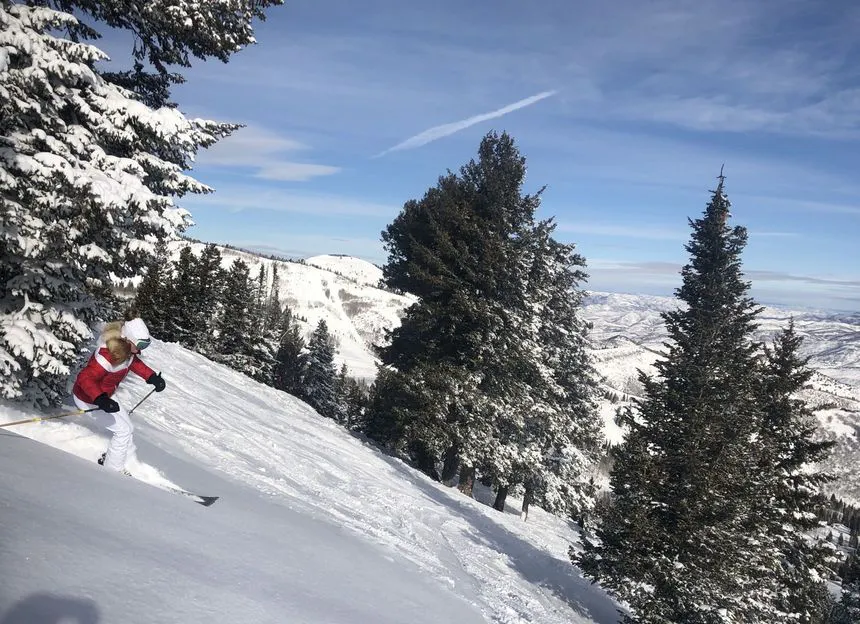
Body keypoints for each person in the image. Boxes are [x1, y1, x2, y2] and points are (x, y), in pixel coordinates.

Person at [72, 317, 166, 473]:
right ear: (128, 340)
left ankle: (113, 458)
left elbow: (134, 364)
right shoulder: (107, 355)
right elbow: (85, 378)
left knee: (128, 427)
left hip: (105, 395)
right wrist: (100, 399)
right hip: (89, 398)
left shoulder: (126, 351)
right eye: (141, 344)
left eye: (146, 344)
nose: (142, 349)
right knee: (122, 431)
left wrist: (152, 377)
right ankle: (112, 471)